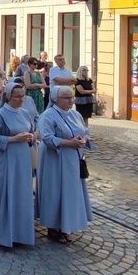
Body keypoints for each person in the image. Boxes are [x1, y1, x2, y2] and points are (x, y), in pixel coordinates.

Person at [0, 81, 36, 248]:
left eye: (22, 96)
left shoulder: (26, 113)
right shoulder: (1, 114)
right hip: (6, 159)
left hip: (23, 159)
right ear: (8, 96)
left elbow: (32, 131)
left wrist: (31, 137)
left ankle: (20, 233)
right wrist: (13, 139)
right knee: (7, 193)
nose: (21, 99)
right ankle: (3, 233)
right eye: (17, 96)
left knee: (21, 194)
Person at [37, 86, 92, 244]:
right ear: (56, 98)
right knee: (56, 192)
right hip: (55, 161)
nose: (71, 100)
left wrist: (84, 140)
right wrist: (69, 143)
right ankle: (54, 227)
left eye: (72, 97)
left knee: (70, 193)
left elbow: (85, 132)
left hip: (73, 161)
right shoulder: (47, 115)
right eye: (67, 98)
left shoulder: (75, 114)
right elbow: (47, 138)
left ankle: (68, 224)